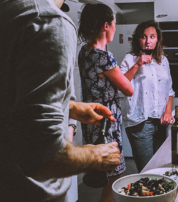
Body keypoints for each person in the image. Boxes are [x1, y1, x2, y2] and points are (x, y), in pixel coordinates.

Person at [0, 0, 121, 201]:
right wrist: (96, 155)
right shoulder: (49, 21)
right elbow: (41, 155)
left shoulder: (9, 12)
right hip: (30, 192)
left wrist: (70, 107)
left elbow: (12, 96)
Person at [77, 3, 133, 202]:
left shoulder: (84, 52)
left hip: (92, 122)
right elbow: (128, 89)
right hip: (107, 125)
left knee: (106, 177)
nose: (115, 28)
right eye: (114, 24)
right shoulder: (104, 57)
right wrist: (137, 66)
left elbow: (115, 84)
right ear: (106, 25)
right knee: (114, 178)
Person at [120, 20, 175, 172]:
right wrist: (137, 65)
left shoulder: (163, 61)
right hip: (140, 122)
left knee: (160, 168)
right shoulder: (129, 59)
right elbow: (121, 86)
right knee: (147, 170)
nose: (147, 41)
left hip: (161, 123)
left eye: (152, 37)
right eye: (143, 37)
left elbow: (169, 90)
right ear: (138, 39)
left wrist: (168, 111)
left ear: (157, 39)